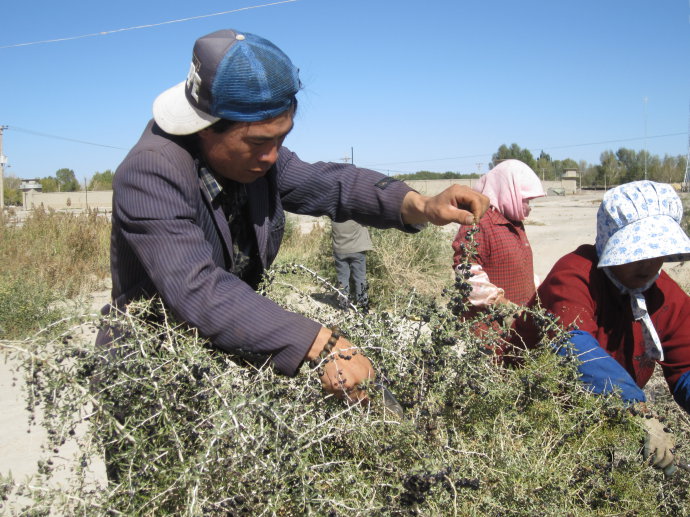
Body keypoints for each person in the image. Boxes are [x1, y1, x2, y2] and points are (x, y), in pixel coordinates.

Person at [97, 28, 489, 405]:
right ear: (205, 129)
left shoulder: (259, 161)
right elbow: (197, 289)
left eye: (281, 139)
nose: (271, 156)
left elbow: (331, 183)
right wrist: (324, 344)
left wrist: (420, 204)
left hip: (222, 360)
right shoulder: (151, 172)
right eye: (258, 142)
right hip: (152, 378)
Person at [509, 180, 690, 474]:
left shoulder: (664, 294)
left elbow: (686, 364)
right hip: (529, 403)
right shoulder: (575, 274)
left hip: (598, 407)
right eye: (636, 252)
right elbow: (573, 344)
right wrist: (636, 410)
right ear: (611, 243)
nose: (647, 264)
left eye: (655, 251)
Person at [451, 159, 545, 315]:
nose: (529, 206)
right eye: (526, 200)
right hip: (491, 327)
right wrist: (505, 306)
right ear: (508, 192)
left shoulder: (514, 222)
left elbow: (522, 266)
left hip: (519, 322)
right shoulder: (478, 222)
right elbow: (467, 275)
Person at [331, 220, 372, 311]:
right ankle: (363, 306)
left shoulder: (334, 214)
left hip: (339, 250)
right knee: (360, 278)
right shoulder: (356, 212)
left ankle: (343, 305)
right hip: (357, 249)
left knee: (342, 279)